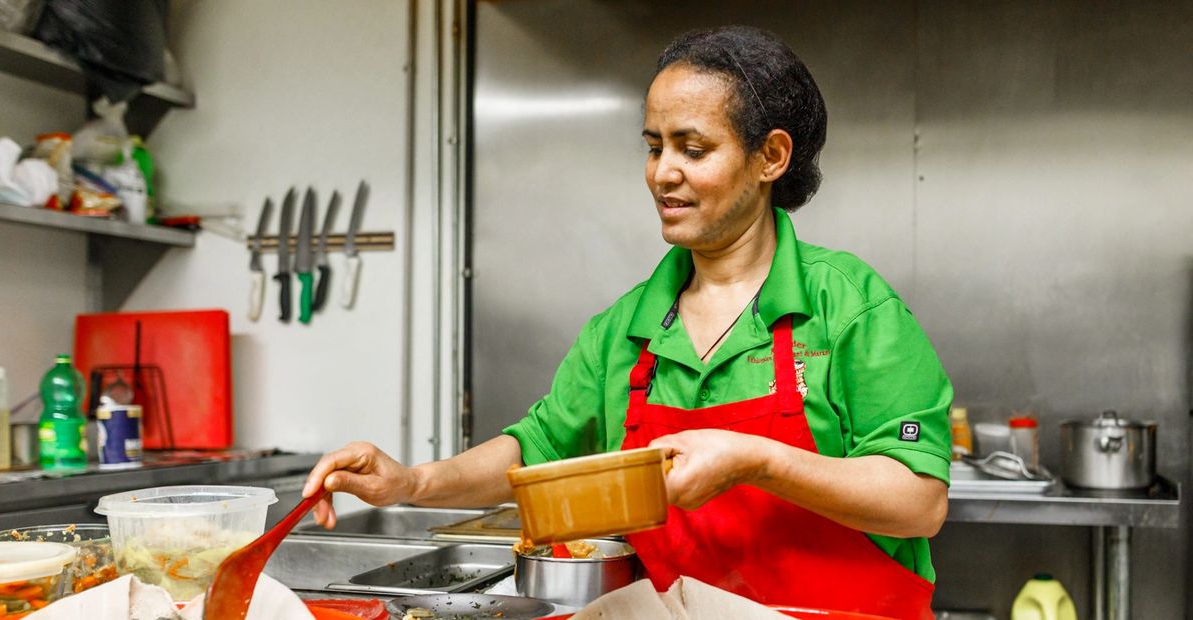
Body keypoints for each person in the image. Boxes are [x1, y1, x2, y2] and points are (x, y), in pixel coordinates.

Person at [303, 25, 951, 619]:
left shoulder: (850, 308)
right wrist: (411, 482)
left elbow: (918, 501)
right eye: (653, 146)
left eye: (693, 149)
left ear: (771, 157)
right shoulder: (628, 331)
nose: (663, 173)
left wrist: (754, 460)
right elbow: (536, 452)